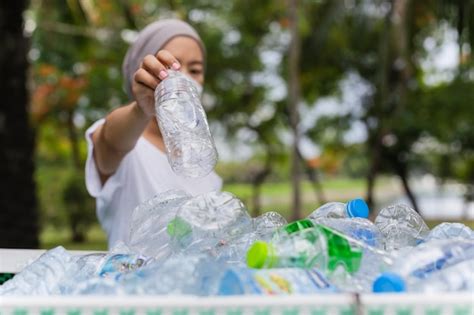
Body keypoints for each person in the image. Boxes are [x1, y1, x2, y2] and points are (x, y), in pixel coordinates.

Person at [85, 19, 222, 248]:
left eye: (195, 70)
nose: (185, 77)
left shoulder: (203, 163)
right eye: (171, 67)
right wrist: (141, 110)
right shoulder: (129, 145)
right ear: (144, 73)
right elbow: (111, 143)